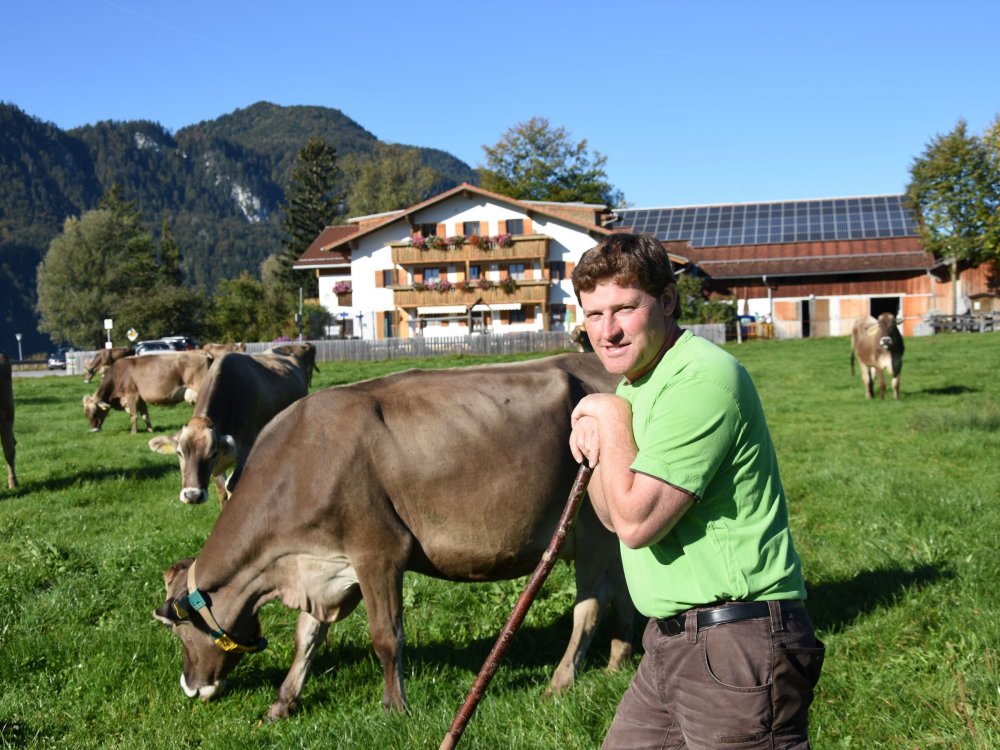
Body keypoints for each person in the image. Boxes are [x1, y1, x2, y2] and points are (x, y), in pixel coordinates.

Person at [568, 233, 824, 749]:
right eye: (594, 315)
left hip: (735, 642)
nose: (608, 331)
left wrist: (609, 416)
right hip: (671, 640)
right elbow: (613, 515)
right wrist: (602, 432)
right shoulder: (641, 382)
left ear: (666, 301)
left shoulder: (701, 380)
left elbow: (637, 523)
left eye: (625, 309)